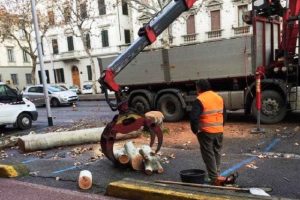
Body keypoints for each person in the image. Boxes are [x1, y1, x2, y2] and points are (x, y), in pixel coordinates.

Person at [190, 79, 227, 186]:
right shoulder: (218, 97)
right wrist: (220, 126)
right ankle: (216, 174)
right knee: (217, 152)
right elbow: (224, 114)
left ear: (199, 87)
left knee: (208, 154)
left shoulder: (200, 99)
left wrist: (195, 130)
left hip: (206, 132)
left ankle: (214, 178)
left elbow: (194, 117)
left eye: (196, 87)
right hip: (219, 130)